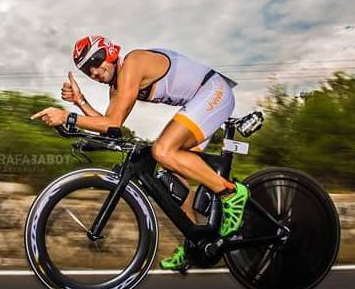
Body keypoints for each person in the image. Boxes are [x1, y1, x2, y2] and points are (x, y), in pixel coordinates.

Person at [31, 35, 249, 271]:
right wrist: (80, 102)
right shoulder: (116, 89)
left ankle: (230, 193)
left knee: (162, 150)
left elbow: (111, 122)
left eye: (96, 60)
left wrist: (66, 117)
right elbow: (110, 129)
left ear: (111, 52)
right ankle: (195, 243)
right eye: (86, 69)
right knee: (170, 174)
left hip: (213, 92)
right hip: (199, 101)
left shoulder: (133, 63)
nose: (93, 71)